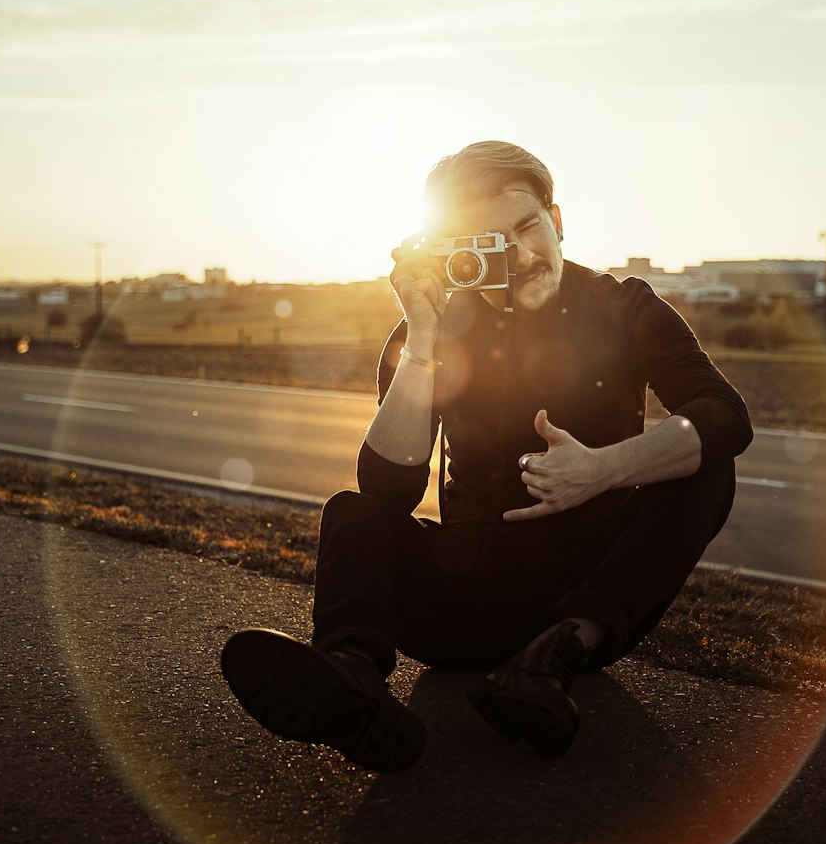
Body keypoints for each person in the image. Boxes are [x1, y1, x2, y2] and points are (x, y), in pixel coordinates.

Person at [221, 141, 752, 771]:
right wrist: (423, 335)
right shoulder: (439, 321)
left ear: (557, 219)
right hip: (464, 595)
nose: (522, 255)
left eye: (527, 227)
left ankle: (548, 661)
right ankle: (350, 680)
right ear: (457, 252)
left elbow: (723, 414)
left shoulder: (624, 306)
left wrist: (600, 470)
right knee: (351, 511)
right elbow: (386, 491)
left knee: (705, 462)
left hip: (584, 601)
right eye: (488, 242)